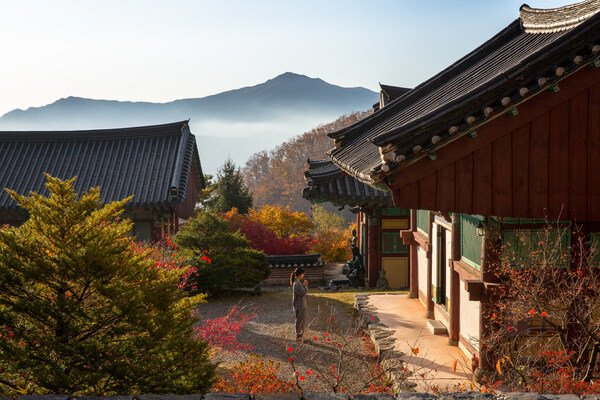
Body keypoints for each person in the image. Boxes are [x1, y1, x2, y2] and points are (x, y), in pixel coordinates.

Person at [290, 267, 308, 342]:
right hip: (299, 305)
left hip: (301, 305)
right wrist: (305, 286)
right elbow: (303, 293)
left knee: (301, 320)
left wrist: (303, 286)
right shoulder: (297, 283)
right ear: (300, 274)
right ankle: (298, 337)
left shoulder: (298, 282)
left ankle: (300, 336)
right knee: (300, 321)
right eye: (303, 274)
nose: (303, 275)